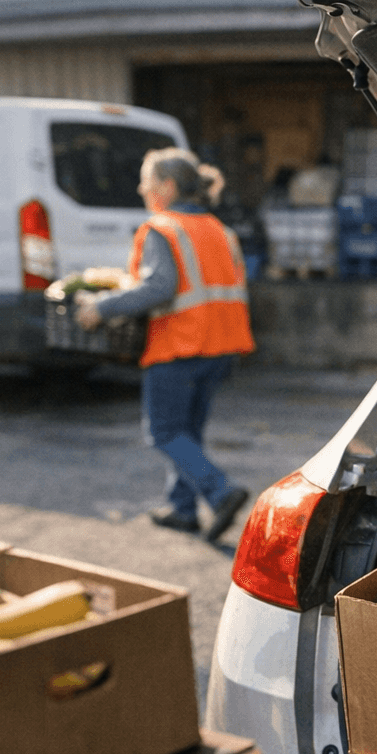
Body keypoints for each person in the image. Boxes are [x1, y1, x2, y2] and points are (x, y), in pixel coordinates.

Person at [77, 148, 255, 543]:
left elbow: (159, 287)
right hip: (222, 346)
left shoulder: (162, 228)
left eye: (147, 180)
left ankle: (221, 492)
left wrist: (101, 308)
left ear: (167, 187)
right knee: (187, 432)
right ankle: (183, 509)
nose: (142, 188)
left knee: (163, 432)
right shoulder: (220, 230)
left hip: (181, 345)